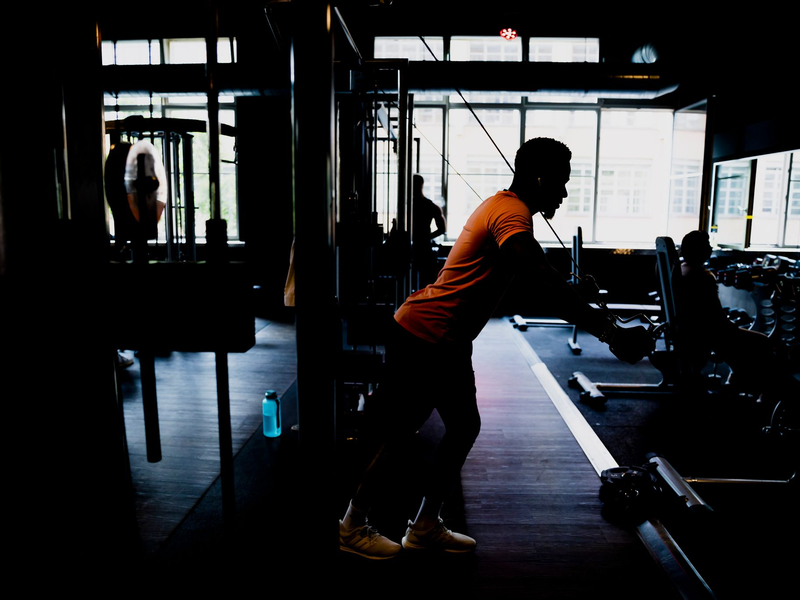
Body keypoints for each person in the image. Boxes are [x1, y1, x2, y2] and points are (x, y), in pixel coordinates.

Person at [338, 137, 655, 560]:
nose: (563, 192)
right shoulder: (511, 213)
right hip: (426, 335)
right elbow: (537, 275)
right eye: (560, 182)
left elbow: (510, 287)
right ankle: (352, 525)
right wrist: (609, 332)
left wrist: (569, 292)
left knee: (463, 426)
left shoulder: (507, 208)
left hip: (446, 339)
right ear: (539, 178)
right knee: (402, 432)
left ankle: (426, 524)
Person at [675, 230, 799, 395]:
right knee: (764, 342)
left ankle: (737, 382)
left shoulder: (681, 270)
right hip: (711, 334)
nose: (711, 248)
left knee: (747, 341)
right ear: (698, 250)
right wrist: (735, 327)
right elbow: (719, 320)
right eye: (707, 245)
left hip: (693, 330)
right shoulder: (703, 277)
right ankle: (770, 392)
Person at [411, 174, 447, 288]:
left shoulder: (426, 205)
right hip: (419, 246)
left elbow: (442, 229)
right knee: (421, 282)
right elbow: (442, 229)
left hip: (422, 248)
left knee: (423, 282)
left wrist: (426, 237)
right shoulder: (427, 205)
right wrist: (426, 237)